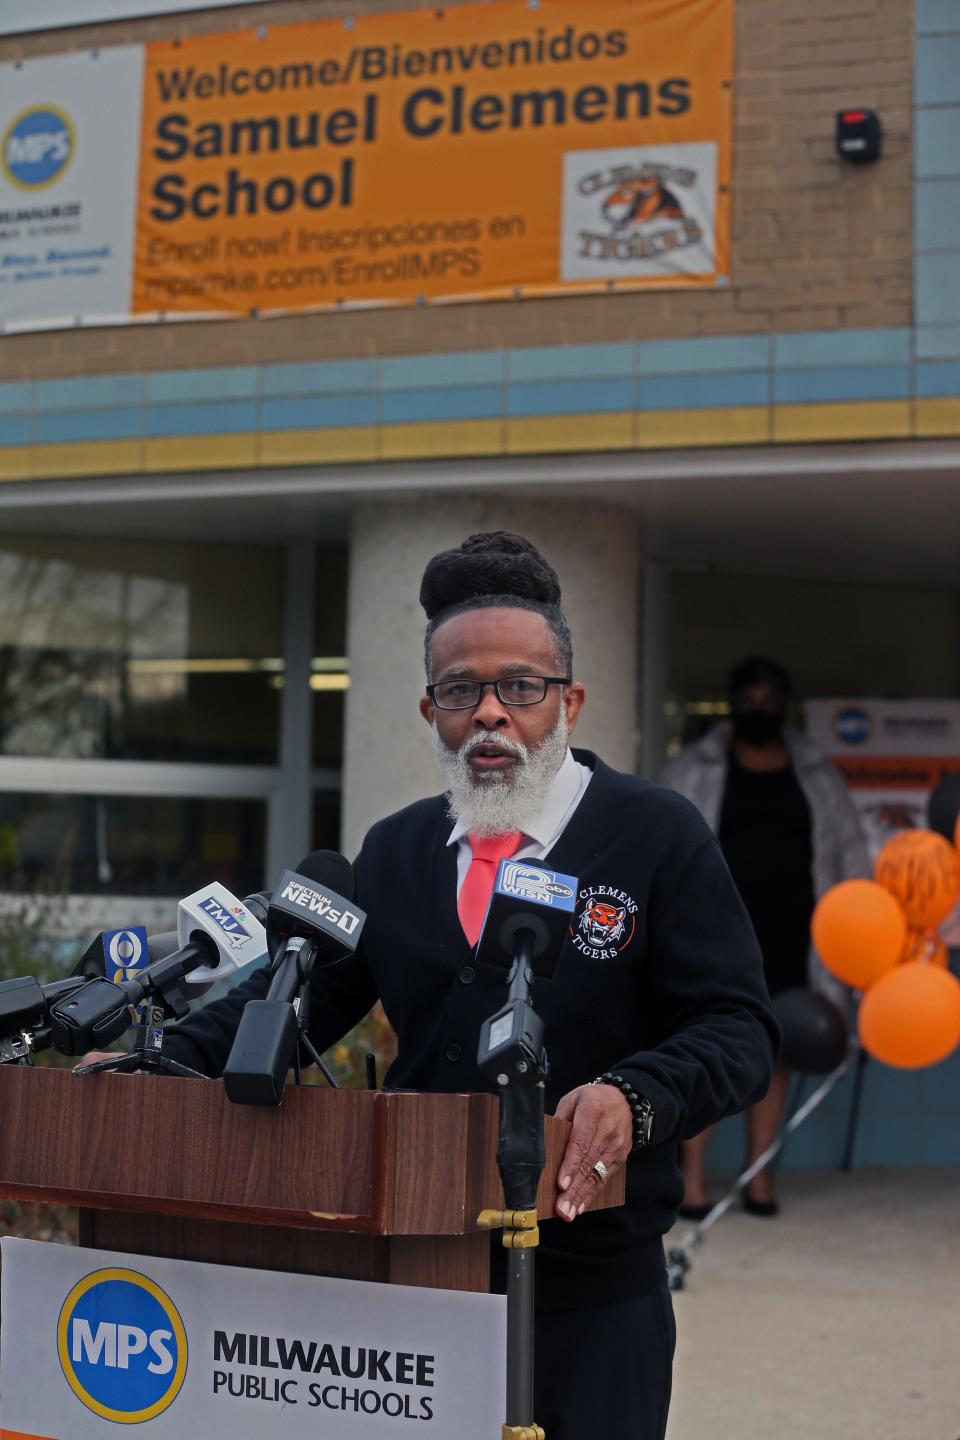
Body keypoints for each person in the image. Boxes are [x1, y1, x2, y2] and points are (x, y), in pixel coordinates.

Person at [155, 532, 779, 1440]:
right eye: (461, 691)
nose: (491, 714)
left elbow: (739, 1030)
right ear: (429, 708)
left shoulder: (656, 836)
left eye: (519, 687)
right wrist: (158, 1060)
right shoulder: (397, 851)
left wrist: (634, 1098)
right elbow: (301, 1005)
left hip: (591, 1290)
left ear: (569, 702)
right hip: (419, 1277)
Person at [662, 656, 869, 1218]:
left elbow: (850, 853)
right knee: (704, 1042)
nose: (759, 709)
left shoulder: (817, 774)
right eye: (748, 699)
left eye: (769, 699)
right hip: (715, 931)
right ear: (731, 705)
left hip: (793, 930)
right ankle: (695, 1180)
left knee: (779, 1048)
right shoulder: (695, 769)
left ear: (785, 705)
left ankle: (758, 1176)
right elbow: (664, 844)